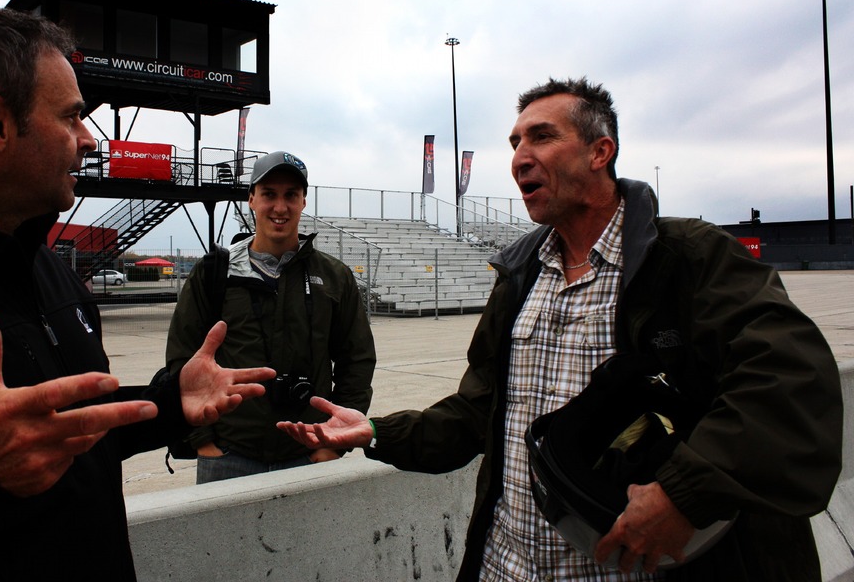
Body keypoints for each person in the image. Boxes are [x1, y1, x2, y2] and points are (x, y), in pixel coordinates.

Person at [278, 77, 843, 581]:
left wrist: (683, 494)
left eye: (542, 137)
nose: (521, 156)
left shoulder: (687, 258)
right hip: (508, 564)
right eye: (515, 143)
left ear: (602, 151)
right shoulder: (519, 277)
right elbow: (479, 412)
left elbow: (791, 379)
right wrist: (375, 432)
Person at [0, 0, 275, 581]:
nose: (88, 140)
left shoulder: (50, 271)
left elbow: (67, 433)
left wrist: (169, 404)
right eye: (69, 117)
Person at [165, 151, 376, 483]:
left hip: (311, 453)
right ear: (251, 199)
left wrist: (333, 446)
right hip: (228, 454)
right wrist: (202, 441)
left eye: (291, 195)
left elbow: (357, 360)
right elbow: (181, 357)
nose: (280, 207)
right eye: (269, 195)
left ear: (304, 201)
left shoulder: (334, 277)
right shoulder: (214, 273)